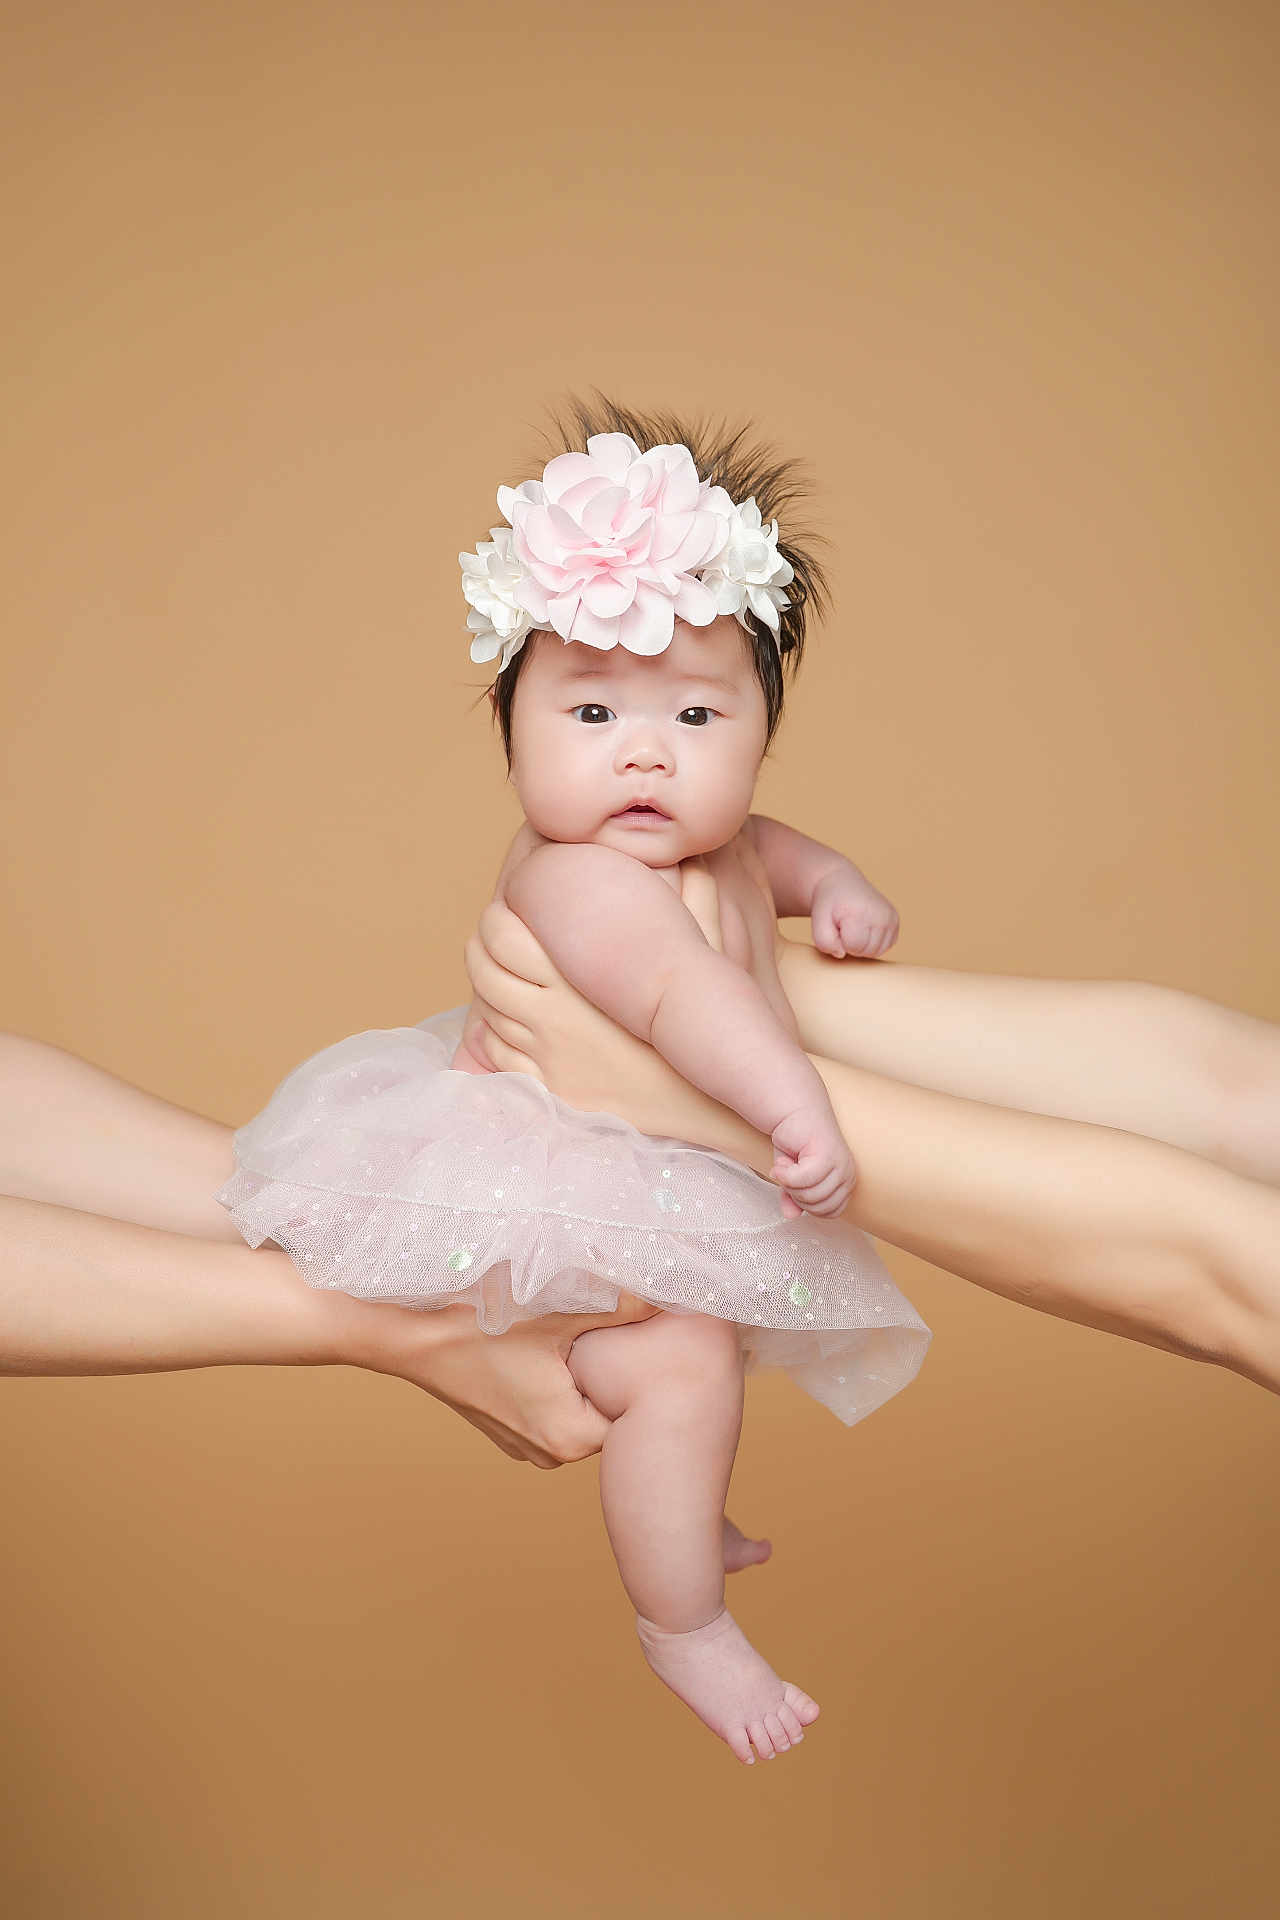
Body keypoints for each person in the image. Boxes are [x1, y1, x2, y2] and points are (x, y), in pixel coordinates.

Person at [203, 398, 1280, 1765]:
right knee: (681, 1360)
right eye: (590, 710)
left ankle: (685, 1505)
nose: (644, 751)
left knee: (694, 1372)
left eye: (698, 714)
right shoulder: (578, 876)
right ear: (510, 723)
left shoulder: (705, 838)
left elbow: (776, 856)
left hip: (627, 1171)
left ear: (761, 727)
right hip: (536, 1184)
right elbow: (680, 998)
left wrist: (838, 893)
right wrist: (787, 1106)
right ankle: (684, 1624)